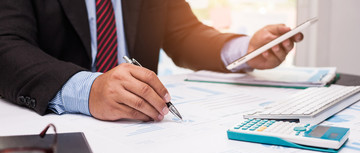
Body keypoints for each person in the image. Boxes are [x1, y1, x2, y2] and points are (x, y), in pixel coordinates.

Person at [0, 0, 303, 122]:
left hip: (143, 132)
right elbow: (7, 45)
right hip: (55, 129)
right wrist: (89, 89)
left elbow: (184, 34)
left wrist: (246, 49)